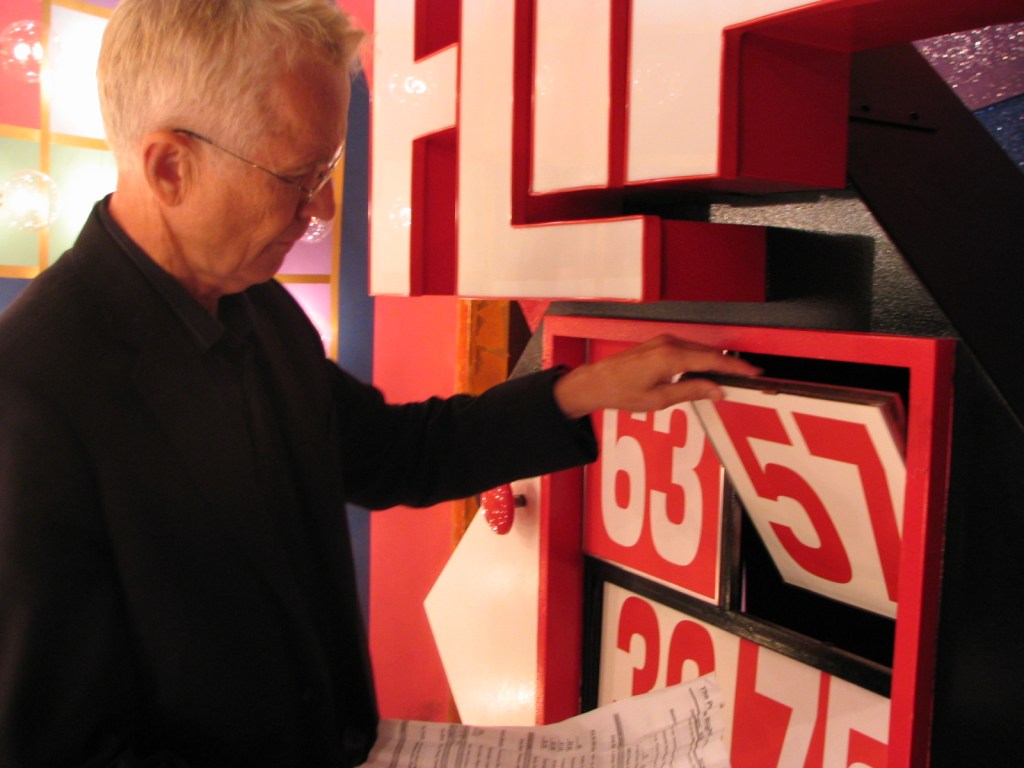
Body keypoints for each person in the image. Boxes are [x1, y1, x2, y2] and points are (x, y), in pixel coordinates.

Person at [0, 1, 760, 765]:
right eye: (297, 177)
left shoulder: (258, 306)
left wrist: (583, 390)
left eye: (326, 171)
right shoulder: (31, 388)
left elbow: (396, 453)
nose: (322, 208)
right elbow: (58, 742)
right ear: (171, 166)